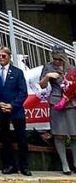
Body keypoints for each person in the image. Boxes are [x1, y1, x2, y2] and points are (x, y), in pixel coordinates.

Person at [0, 46, 30, 176]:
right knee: (5, 139)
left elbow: (23, 92)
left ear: (9, 57)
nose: (0, 58)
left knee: (21, 139)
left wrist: (12, 105)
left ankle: (24, 166)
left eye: (3, 56)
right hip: (1, 109)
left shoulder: (17, 72)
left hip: (16, 110)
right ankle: (10, 165)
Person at [39, 46, 76, 175]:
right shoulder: (48, 67)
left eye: (59, 59)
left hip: (71, 103)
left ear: (64, 57)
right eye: (54, 58)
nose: (57, 61)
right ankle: (65, 164)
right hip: (56, 102)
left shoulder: (71, 68)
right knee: (59, 134)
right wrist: (48, 76)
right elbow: (42, 85)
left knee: (74, 134)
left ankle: (75, 164)